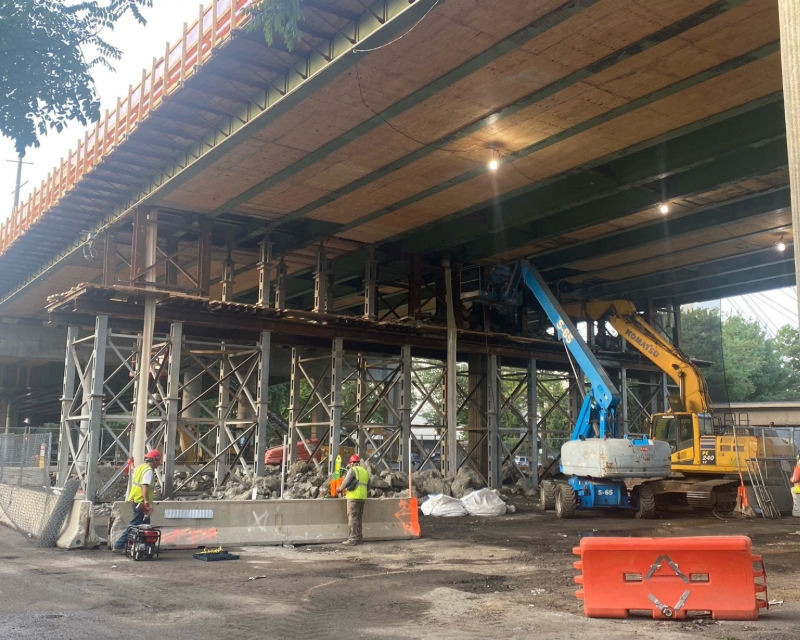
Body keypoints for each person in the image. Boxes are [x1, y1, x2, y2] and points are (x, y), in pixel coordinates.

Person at [113, 449, 163, 553]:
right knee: (134, 524)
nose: (160, 463)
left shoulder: (141, 467)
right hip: (141, 502)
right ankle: (119, 545)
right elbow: (144, 487)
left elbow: (133, 470)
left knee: (146, 525)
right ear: (155, 460)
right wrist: (146, 503)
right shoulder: (148, 471)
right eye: (159, 461)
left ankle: (148, 546)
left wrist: (131, 463)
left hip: (136, 500)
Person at [339, 454, 369, 546]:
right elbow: (369, 486)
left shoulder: (352, 470)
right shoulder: (365, 471)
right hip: (362, 497)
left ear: (351, 463)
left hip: (353, 497)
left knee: (352, 518)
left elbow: (346, 482)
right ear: (359, 463)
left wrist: (340, 489)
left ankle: (352, 539)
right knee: (359, 518)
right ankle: (359, 538)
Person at [790, 453, 800, 518]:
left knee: (797, 501)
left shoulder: (798, 467)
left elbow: (795, 479)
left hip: (798, 488)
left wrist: (791, 479)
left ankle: (797, 512)